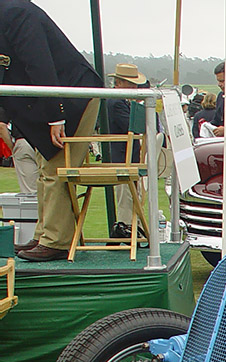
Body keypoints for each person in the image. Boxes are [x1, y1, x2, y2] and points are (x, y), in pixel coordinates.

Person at [0, 0, 103, 261]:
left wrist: (56, 116)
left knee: (56, 168)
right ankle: (44, 234)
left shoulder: (17, 13)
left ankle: (56, 241)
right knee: (45, 168)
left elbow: (39, 63)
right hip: (49, 100)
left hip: (72, 97)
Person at [106, 62, 146, 237]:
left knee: (130, 196)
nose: (134, 87)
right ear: (120, 83)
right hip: (122, 157)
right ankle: (125, 228)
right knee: (126, 196)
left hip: (127, 156)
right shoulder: (116, 103)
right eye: (130, 83)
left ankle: (130, 227)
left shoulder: (121, 102)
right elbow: (132, 126)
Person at [0, 105, 38, 193]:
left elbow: (2, 126)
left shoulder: (12, 98)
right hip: (50, 141)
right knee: (53, 187)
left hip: (23, 142)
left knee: (30, 192)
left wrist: (12, 147)